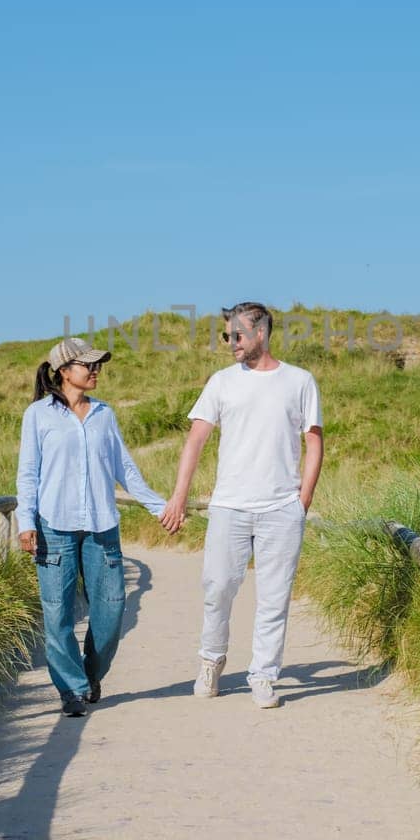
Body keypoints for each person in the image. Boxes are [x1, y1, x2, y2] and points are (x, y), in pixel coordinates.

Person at [162, 303, 323, 709]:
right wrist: (179, 495)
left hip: (281, 509)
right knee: (218, 587)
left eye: (237, 335)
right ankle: (211, 661)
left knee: (275, 596)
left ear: (261, 333)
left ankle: (264, 676)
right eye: (226, 336)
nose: (230, 343)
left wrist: (301, 502)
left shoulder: (300, 381)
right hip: (229, 507)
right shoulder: (221, 382)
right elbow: (195, 439)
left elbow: (314, 441)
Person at [16, 337, 169, 717]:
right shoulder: (38, 415)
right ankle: (71, 689)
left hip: (102, 527)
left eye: (98, 364)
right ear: (64, 371)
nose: (96, 370)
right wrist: (25, 522)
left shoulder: (104, 414)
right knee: (57, 614)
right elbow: (28, 474)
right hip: (54, 526)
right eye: (88, 365)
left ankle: (91, 674)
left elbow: (125, 470)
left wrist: (159, 507)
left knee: (112, 609)